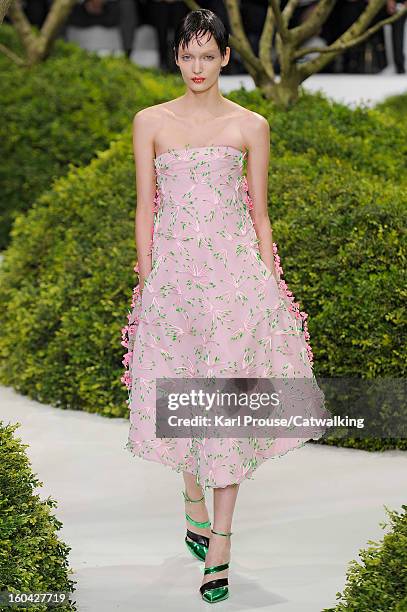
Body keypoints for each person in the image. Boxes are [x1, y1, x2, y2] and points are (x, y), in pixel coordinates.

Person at [121, 9, 326, 604]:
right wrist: (148, 276)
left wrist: (271, 285)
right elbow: (145, 207)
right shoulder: (150, 122)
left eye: (208, 56)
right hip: (175, 279)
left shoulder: (251, 126)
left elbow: (260, 213)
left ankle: (222, 543)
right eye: (188, 56)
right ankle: (193, 499)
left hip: (235, 282)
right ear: (176, 58)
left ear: (226, 59)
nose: (197, 68)